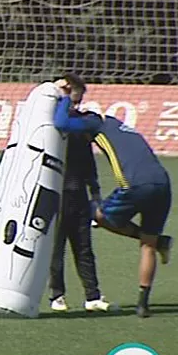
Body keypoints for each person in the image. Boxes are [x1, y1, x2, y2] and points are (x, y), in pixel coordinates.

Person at [52, 74, 173, 318]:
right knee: (148, 245)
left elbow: (61, 122)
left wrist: (65, 97)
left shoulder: (94, 123)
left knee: (94, 213)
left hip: (135, 185)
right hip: (163, 183)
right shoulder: (119, 124)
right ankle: (142, 304)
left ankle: (64, 294)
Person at [49, 128, 109, 313]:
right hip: (57, 197)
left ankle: (92, 296)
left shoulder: (80, 133)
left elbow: (89, 166)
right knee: (57, 249)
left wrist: (96, 193)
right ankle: (57, 296)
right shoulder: (52, 135)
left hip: (79, 197)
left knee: (84, 248)